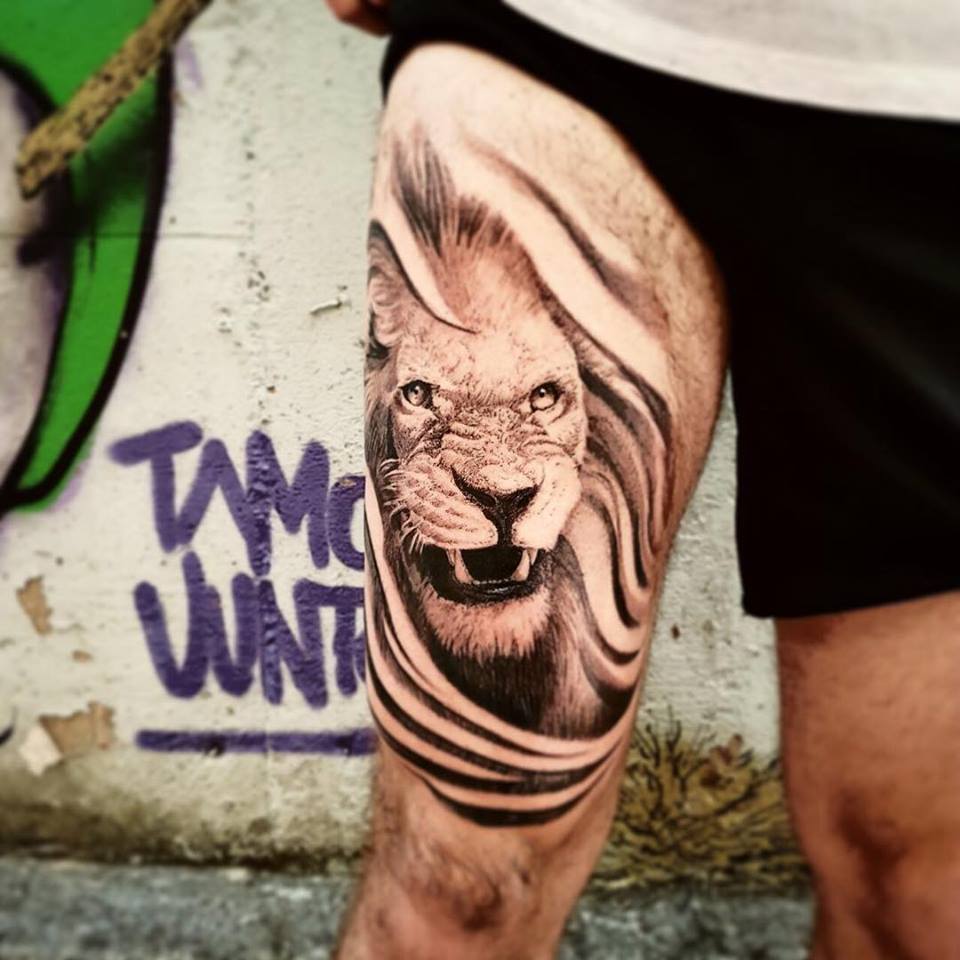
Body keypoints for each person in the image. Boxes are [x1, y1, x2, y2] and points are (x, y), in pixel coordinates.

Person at [325, 1, 960, 957]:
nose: (496, 472)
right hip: (558, 35)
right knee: (457, 886)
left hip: (927, 91)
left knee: (915, 900)